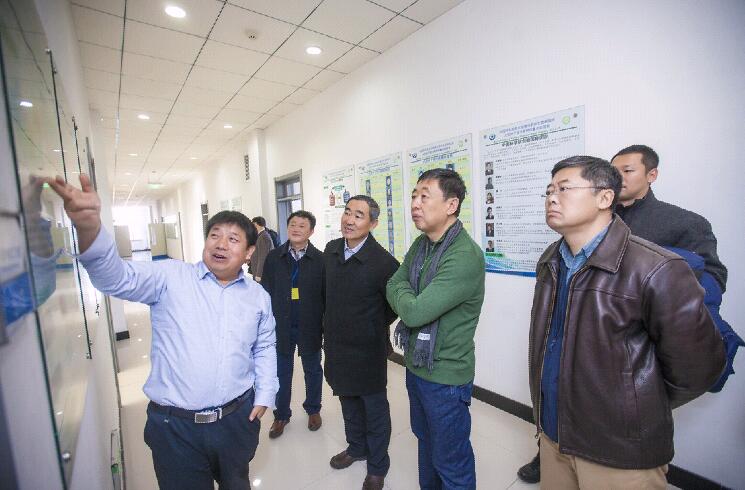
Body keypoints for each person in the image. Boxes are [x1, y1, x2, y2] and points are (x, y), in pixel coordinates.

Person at [46, 175, 278, 490]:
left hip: (236, 420)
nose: (221, 244)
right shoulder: (170, 277)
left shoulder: (257, 297)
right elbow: (115, 279)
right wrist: (89, 229)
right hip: (175, 428)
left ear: (249, 251)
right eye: (214, 235)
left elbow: (264, 347)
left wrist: (265, 395)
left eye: (233, 239)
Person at [528, 156, 724, 489]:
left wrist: (634, 406)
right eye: (549, 190)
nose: (552, 198)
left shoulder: (655, 267)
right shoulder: (551, 260)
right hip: (553, 434)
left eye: (564, 188)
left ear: (605, 198)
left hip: (619, 451)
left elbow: (698, 368)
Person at [387, 168, 485, 490]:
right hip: (417, 365)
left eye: (424, 196)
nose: (415, 203)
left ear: (451, 205)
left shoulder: (464, 255)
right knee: (426, 444)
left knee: (450, 461)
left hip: (445, 377)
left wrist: (407, 299)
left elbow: (414, 313)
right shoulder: (423, 244)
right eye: (414, 195)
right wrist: (408, 297)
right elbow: (393, 283)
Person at [323, 195, 399, 490]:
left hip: (368, 350)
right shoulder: (331, 250)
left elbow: (393, 307)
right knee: (348, 401)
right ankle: (356, 448)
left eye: (359, 215)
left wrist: (369, 325)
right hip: (337, 345)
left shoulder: (384, 263)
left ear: (373, 224)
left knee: (374, 409)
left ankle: (378, 466)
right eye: (347, 212)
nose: (349, 220)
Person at [261, 211, 324, 439]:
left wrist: (324, 325)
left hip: (310, 324)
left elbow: (326, 296)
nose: (296, 228)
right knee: (281, 372)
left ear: (311, 231)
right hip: (281, 324)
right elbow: (265, 292)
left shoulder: (320, 260)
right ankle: (281, 415)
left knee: (313, 370)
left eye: (302, 225)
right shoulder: (274, 257)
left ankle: (313, 410)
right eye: (293, 224)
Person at [250, 216, 275, 282]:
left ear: (257, 225)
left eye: (253, 225)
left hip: (262, 274)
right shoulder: (260, 236)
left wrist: (259, 274)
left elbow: (263, 257)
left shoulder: (263, 237)